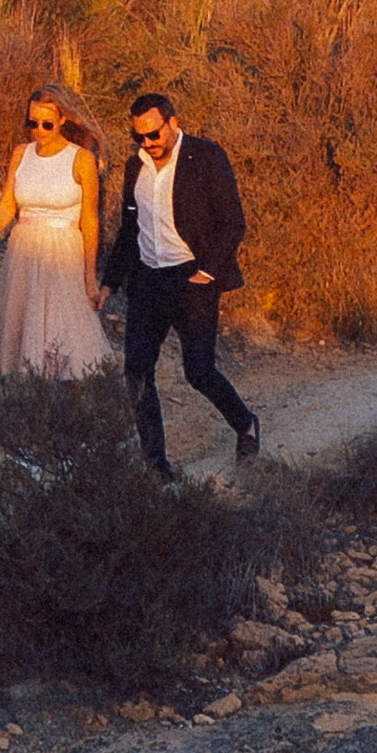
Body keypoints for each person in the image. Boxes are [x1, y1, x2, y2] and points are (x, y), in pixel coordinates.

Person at [99, 90, 259, 478]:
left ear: (172, 123)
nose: (148, 143)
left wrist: (206, 272)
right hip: (148, 280)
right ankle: (156, 467)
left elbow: (232, 222)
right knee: (136, 372)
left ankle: (246, 424)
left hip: (191, 278)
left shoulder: (206, 157)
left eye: (154, 134)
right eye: (139, 137)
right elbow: (129, 229)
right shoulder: (135, 166)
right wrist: (111, 282)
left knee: (198, 371)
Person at [0, 84, 109, 379]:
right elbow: (7, 206)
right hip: (24, 252)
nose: (38, 130)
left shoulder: (81, 159)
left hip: (63, 254)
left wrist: (90, 278)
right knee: (24, 330)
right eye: (32, 123)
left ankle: (76, 414)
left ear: (62, 120)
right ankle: (30, 406)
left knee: (67, 335)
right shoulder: (21, 154)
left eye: (46, 123)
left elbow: (90, 220)